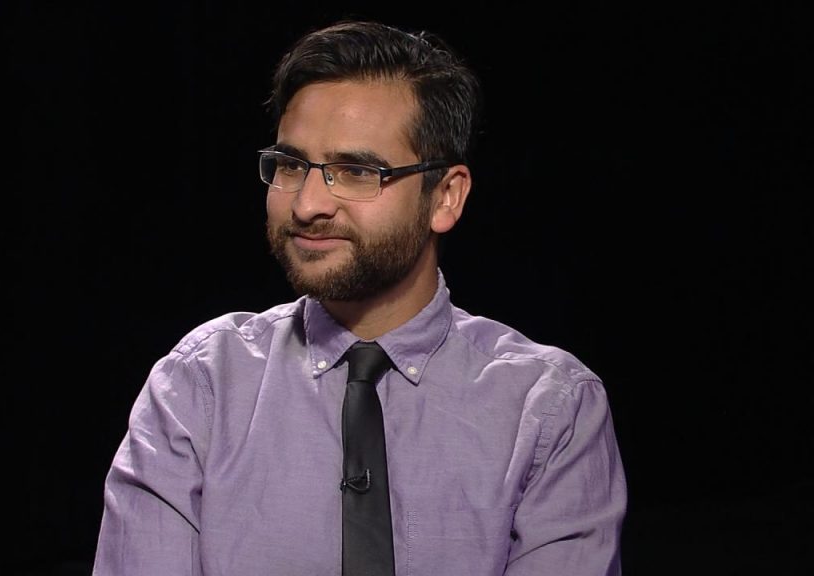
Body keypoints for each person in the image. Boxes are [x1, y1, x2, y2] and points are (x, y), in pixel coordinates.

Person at [92, 19, 626, 575]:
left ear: (446, 196)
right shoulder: (198, 388)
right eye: (291, 165)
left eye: (355, 171)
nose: (306, 205)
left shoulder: (549, 410)